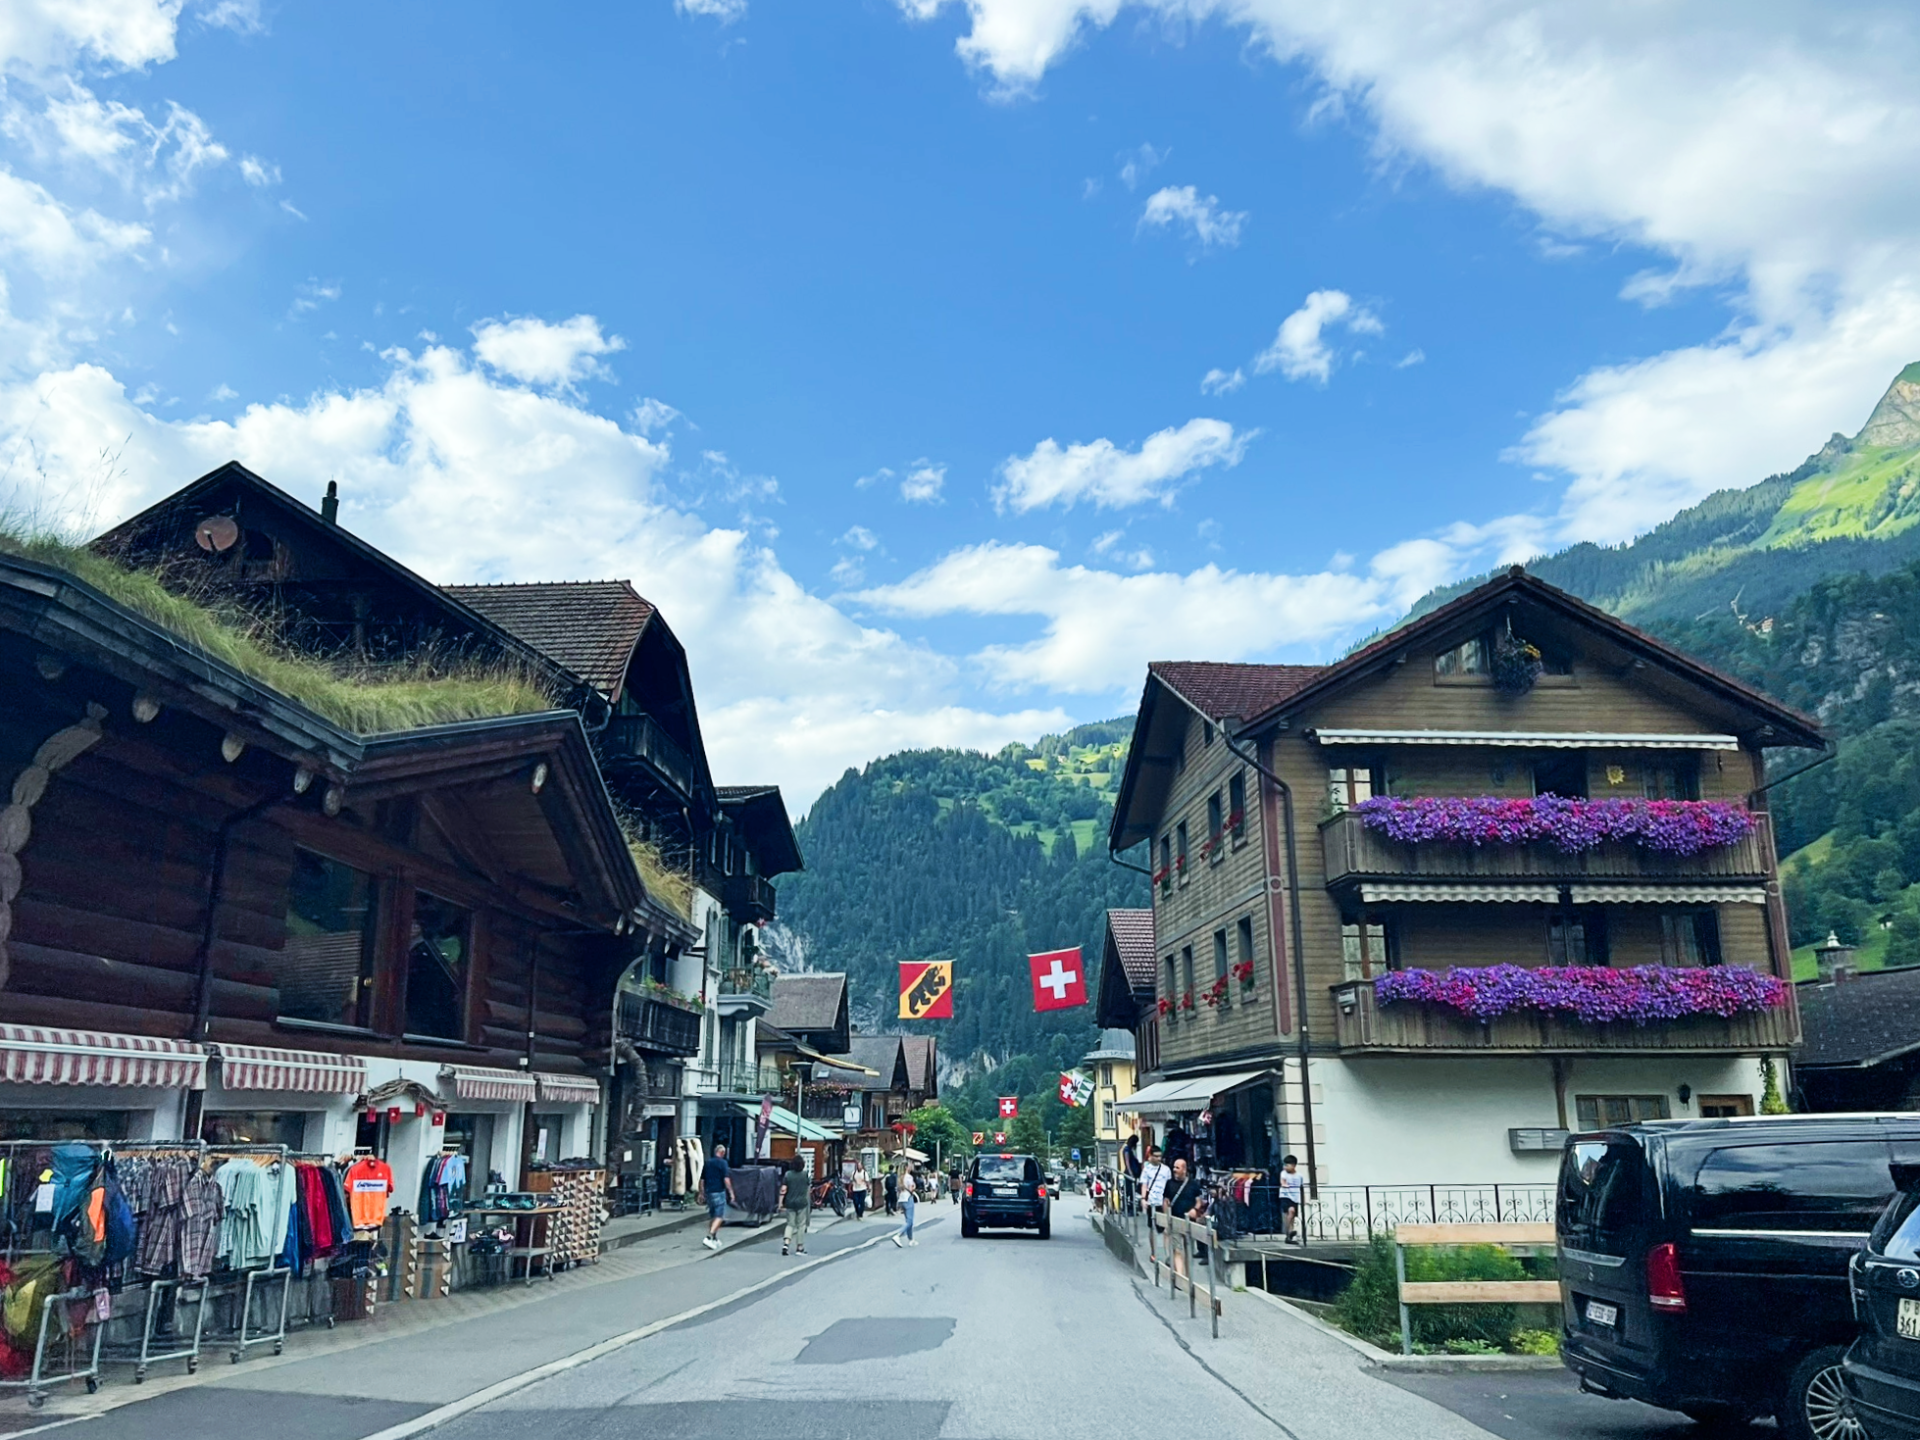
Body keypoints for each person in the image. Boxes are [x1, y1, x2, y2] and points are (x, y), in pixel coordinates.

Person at [1163, 1157, 1204, 1277]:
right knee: (1177, 1249)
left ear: (1184, 1169)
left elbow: (1199, 1201)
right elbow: (1166, 1201)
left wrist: (1195, 1210)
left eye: (1177, 1167)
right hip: (1175, 1221)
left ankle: (1187, 1277)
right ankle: (1180, 1277)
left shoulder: (1193, 1184)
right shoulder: (1169, 1184)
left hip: (1189, 1222)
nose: (1174, 1169)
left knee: (1187, 1249)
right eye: (1174, 1167)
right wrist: (1167, 1218)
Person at [700, 1141, 735, 1251]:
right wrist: (731, 1192)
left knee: (713, 1215)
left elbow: (702, 1180)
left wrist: (701, 1193)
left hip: (709, 1192)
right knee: (719, 1216)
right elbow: (726, 1179)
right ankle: (709, 1236)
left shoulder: (708, 1162)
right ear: (722, 1152)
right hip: (719, 1191)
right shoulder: (723, 1163)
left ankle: (714, 1238)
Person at [776, 1156, 812, 1256]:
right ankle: (799, 1247)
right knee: (801, 1225)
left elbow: (783, 1190)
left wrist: (780, 1203)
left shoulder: (788, 1175)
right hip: (802, 1203)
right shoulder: (805, 1175)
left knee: (790, 1224)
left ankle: (786, 1244)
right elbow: (808, 1189)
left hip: (789, 1203)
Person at [1276, 1153, 1305, 1245]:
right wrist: (1284, 1185)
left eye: (1287, 1165)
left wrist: (1303, 1199)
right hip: (1285, 1196)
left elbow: (1301, 1188)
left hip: (1295, 1197)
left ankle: (1289, 1235)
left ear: (1293, 1165)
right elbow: (1283, 1181)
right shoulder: (1283, 1173)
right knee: (1291, 1211)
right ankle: (1288, 1232)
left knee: (1292, 1217)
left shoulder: (1299, 1176)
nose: (1285, 1167)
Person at [890, 1163, 919, 1247]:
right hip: (908, 1198)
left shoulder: (899, 1178)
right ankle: (898, 1235)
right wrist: (914, 1187)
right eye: (910, 1166)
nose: (911, 1167)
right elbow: (911, 1189)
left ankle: (911, 1239)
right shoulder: (909, 1177)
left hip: (901, 1199)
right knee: (909, 1221)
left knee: (908, 1221)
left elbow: (898, 1191)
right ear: (906, 1167)